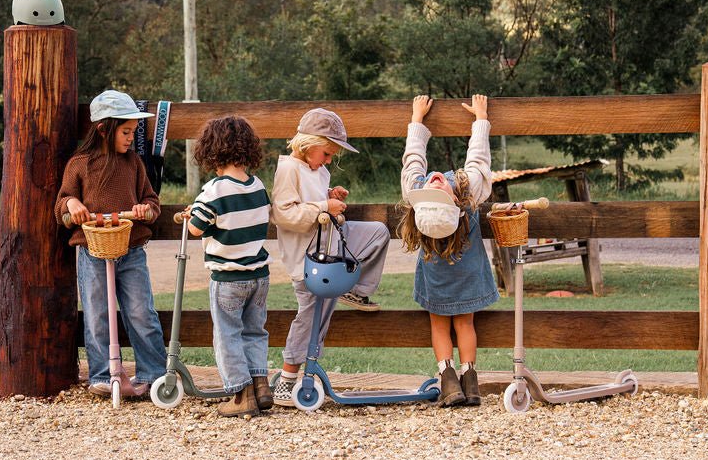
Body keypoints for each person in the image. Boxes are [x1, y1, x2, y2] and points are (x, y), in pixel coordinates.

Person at [270, 108, 390, 407]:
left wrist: (331, 193)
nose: (328, 160)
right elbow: (284, 215)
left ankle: (355, 290)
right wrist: (324, 205)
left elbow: (315, 197)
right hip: (309, 258)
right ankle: (287, 378)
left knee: (378, 233)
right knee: (311, 315)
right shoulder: (288, 169)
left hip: (331, 243)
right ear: (308, 144)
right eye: (326, 153)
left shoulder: (317, 168)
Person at [55, 89, 167, 398]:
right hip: (92, 250)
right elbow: (61, 204)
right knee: (96, 313)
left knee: (141, 312)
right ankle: (103, 374)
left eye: (133, 132)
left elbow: (151, 201)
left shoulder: (134, 165)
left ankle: (154, 374)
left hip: (131, 251)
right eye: (126, 131)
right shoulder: (79, 165)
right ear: (104, 128)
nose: (131, 138)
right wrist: (72, 206)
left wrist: (147, 210)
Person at [398, 94, 497, 407]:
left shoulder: (416, 189)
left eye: (432, 191)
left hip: (436, 277)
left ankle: (449, 378)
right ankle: (467, 379)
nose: (435, 183)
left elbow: (413, 159)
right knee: (463, 323)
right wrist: (480, 119)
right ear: (456, 205)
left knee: (439, 324)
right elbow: (478, 160)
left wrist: (417, 121)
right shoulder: (470, 192)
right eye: (435, 191)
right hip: (468, 273)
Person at [181, 116, 272, 418]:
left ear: (210, 150)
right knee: (254, 331)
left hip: (228, 278)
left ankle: (240, 394)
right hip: (259, 275)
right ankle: (260, 385)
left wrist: (191, 213)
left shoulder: (214, 191)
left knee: (228, 334)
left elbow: (196, 228)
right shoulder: (257, 186)